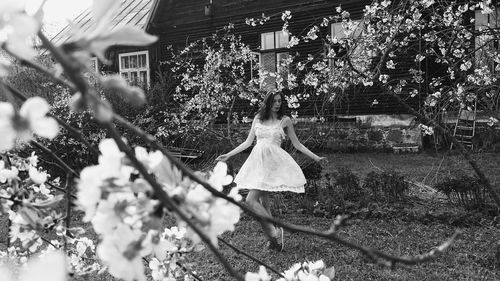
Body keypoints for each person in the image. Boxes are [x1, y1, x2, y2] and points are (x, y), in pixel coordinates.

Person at [216, 91, 326, 251]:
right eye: (274, 101)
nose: (277, 104)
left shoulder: (285, 120)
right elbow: (248, 142)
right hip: (257, 162)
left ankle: (275, 232)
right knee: (264, 203)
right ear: (268, 102)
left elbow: (297, 144)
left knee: (250, 201)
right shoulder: (258, 119)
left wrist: (316, 157)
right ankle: (274, 242)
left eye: (279, 101)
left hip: (272, 163)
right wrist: (229, 154)